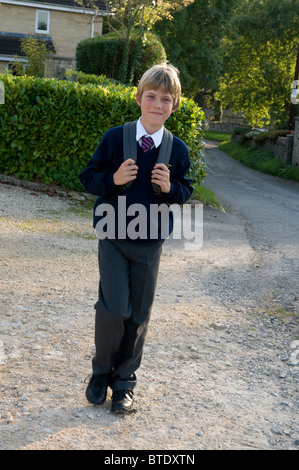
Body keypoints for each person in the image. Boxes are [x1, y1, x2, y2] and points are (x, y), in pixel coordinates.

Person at [79, 63, 193, 414]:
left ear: (174, 105)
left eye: (165, 99)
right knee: (114, 309)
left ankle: (124, 383)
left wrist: (169, 187)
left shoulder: (178, 150)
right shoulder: (116, 138)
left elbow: (185, 191)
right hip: (113, 236)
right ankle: (100, 374)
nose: (157, 104)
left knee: (138, 315)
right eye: (151, 97)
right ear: (139, 98)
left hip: (150, 243)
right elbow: (88, 178)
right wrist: (113, 179)